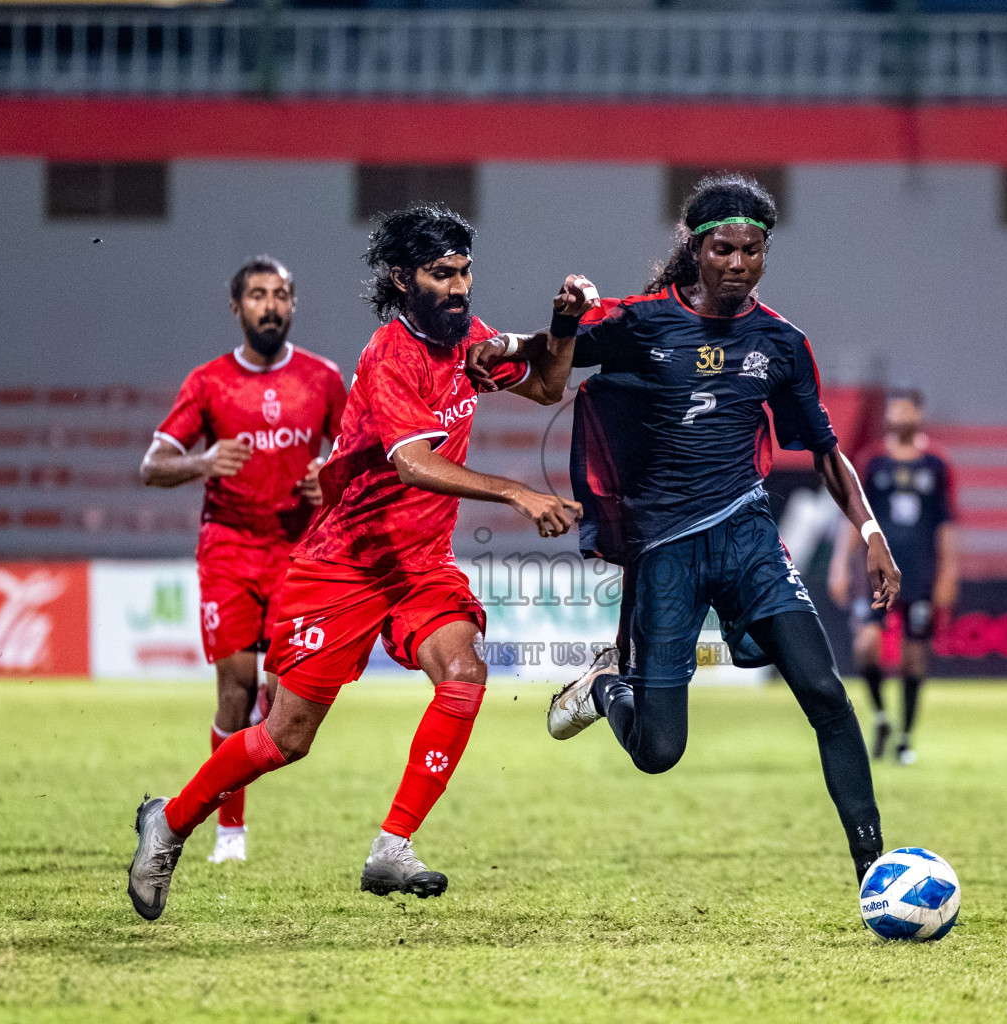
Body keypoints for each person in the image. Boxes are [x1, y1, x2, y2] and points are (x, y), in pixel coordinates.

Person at [127, 206, 593, 920]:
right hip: (343, 563)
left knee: (465, 672)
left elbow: (547, 386)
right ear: (404, 279)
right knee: (287, 737)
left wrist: (559, 328)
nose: (460, 285)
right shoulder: (388, 355)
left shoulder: (468, 337)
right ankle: (173, 820)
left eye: (466, 271)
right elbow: (411, 462)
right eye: (443, 274)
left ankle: (392, 847)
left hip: (419, 563)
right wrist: (517, 493)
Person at [487, 174, 903, 888]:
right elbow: (550, 371)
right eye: (723, 250)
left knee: (826, 695)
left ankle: (875, 868)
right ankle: (604, 688)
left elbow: (825, 450)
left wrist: (869, 531)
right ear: (697, 249)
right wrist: (541, 329)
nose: (738, 264)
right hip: (664, 554)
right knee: (658, 751)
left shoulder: (781, 343)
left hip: (747, 538)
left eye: (751, 251)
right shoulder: (642, 323)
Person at [141, 255, 347, 865]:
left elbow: (362, 456)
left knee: (280, 697)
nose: (271, 305)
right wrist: (202, 463)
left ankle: (222, 810)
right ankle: (230, 831)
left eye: (281, 294)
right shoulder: (208, 383)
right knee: (236, 690)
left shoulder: (323, 378)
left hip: (299, 555)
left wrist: (328, 480)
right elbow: (152, 465)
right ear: (237, 308)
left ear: (292, 305)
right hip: (229, 549)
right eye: (258, 294)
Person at [828, 388, 958, 765]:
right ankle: (882, 716)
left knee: (914, 657)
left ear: (919, 414)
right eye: (893, 410)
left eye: (905, 410)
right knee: (866, 644)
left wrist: (948, 572)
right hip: (876, 573)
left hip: (920, 572)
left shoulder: (936, 464)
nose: (898, 416)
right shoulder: (873, 462)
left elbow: (946, 525)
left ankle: (905, 737)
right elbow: (854, 514)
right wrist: (840, 562)